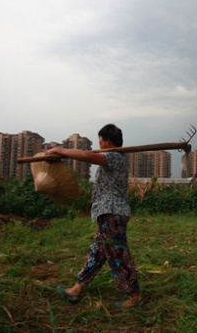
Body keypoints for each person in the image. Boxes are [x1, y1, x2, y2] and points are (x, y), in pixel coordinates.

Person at [48, 124, 144, 308]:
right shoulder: (114, 157)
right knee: (97, 253)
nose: (99, 143)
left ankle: (134, 295)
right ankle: (77, 288)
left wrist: (61, 150)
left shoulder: (114, 157)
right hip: (107, 213)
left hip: (112, 213)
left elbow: (86, 156)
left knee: (118, 255)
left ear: (107, 141)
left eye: (100, 140)